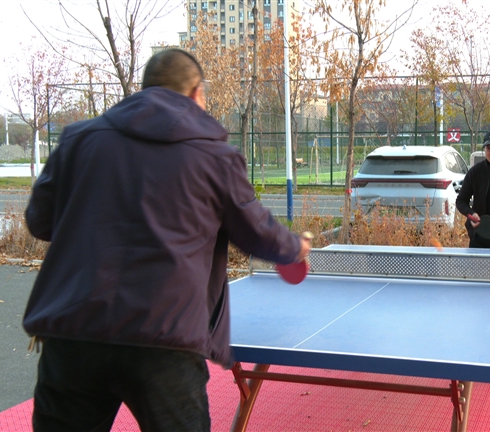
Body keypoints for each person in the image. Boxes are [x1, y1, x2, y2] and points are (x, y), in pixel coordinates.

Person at [23, 48, 311, 432]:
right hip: (165, 335)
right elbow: (257, 232)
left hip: (74, 331)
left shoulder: (77, 140)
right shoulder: (215, 156)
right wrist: (295, 248)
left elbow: (39, 222)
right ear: (196, 93)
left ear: (143, 91)